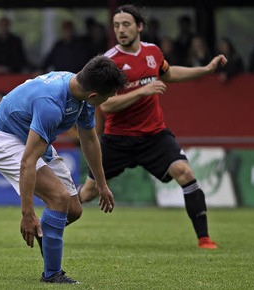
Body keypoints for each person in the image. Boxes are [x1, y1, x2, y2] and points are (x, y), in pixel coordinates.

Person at [78, 5, 228, 250]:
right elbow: (106, 106)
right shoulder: (109, 62)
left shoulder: (153, 52)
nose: (121, 30)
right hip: (117, 139)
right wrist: (142, 91)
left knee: (185, 173)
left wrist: (205, 69)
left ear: (139, 27)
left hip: (154, 135)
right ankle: (49, 226)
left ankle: (205, 240)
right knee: (87, 193)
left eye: (126, 24)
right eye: (116, 26)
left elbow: (167, 74)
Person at [0, 55, 126, 284]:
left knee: (73, 210)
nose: (106, 102)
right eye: (107, 97)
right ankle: (52, 274)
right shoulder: (51, 104)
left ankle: (46, 234)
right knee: (59, 199)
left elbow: (89, 140)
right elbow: (27, 161)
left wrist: (101, 184)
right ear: (94, 95)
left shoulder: (82, 95)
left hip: (29, 133)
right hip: (5, 139)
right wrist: (27, 214)